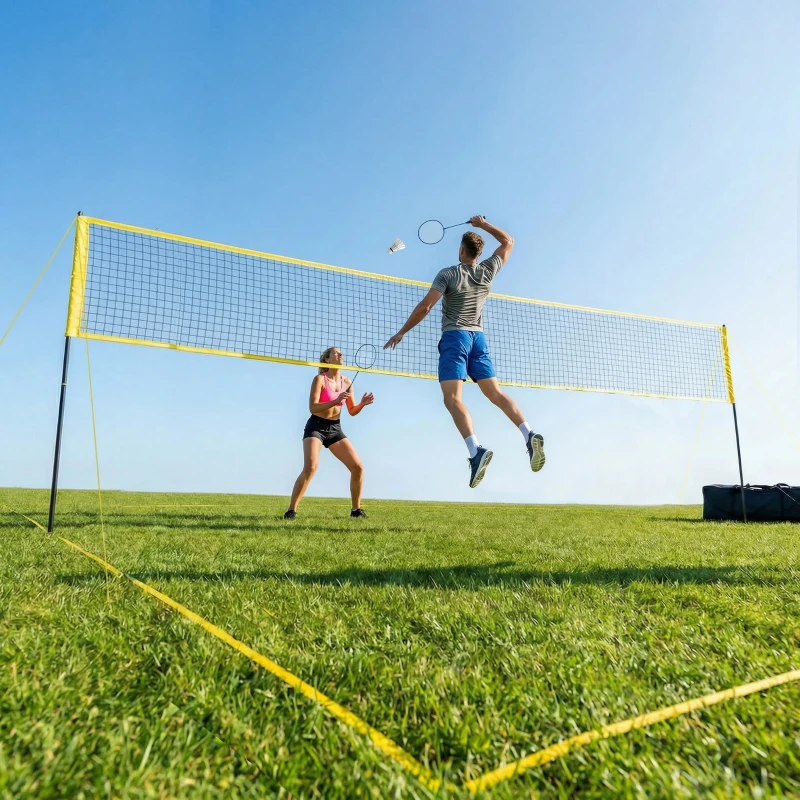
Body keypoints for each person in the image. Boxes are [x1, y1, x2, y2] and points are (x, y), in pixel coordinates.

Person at [384, 216, 545, 489]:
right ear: (479, 253)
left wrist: (401, 332)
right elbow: (509, 241)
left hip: (455, 337)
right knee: (495, 393)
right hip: (479, 339)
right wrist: (483, 225)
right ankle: (528, 433)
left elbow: (426, 307)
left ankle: (475, 451)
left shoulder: (447, 274)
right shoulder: (488, 270)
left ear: (461, 250)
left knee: (452, 399)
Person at [284, 346, 374, 519]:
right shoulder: (319, 379)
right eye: (336, 353)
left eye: (341, 353)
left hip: (335, 429)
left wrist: (362, 404)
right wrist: (335, 401)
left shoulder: (347, 382)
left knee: (358, 467)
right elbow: (313, 407)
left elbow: (352, 411)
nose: (340, 354)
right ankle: (291, 511)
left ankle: (356, 511)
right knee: (310, 467)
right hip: (316, 427)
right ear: (327, 359)